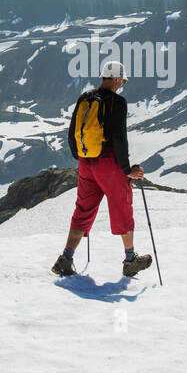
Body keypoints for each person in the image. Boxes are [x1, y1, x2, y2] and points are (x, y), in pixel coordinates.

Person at [51, 60, 152, 278]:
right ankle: (130, 259)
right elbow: (119, 138)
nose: (122, 84)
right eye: (122, 81)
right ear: (116, 79)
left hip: (86, 163)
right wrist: (126, 170)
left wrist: (81, 158)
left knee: (83, 210)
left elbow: (72, 133)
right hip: (109, 164)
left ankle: (66, 258)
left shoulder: (85, 97)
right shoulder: (118, 102)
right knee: (122, 208)